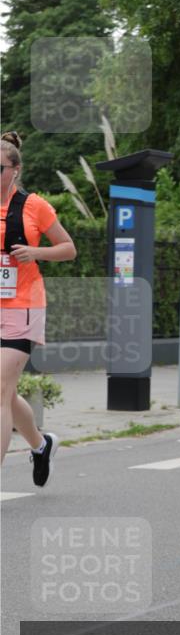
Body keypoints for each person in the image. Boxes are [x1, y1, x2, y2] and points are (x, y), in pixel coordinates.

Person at [1, 131, 76, 482]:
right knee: (7, 392)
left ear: (15, 170)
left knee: (0, 391)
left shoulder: (34, 206)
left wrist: (35, 252)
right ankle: (41, 444)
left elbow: (68, 248)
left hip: (22, 306)